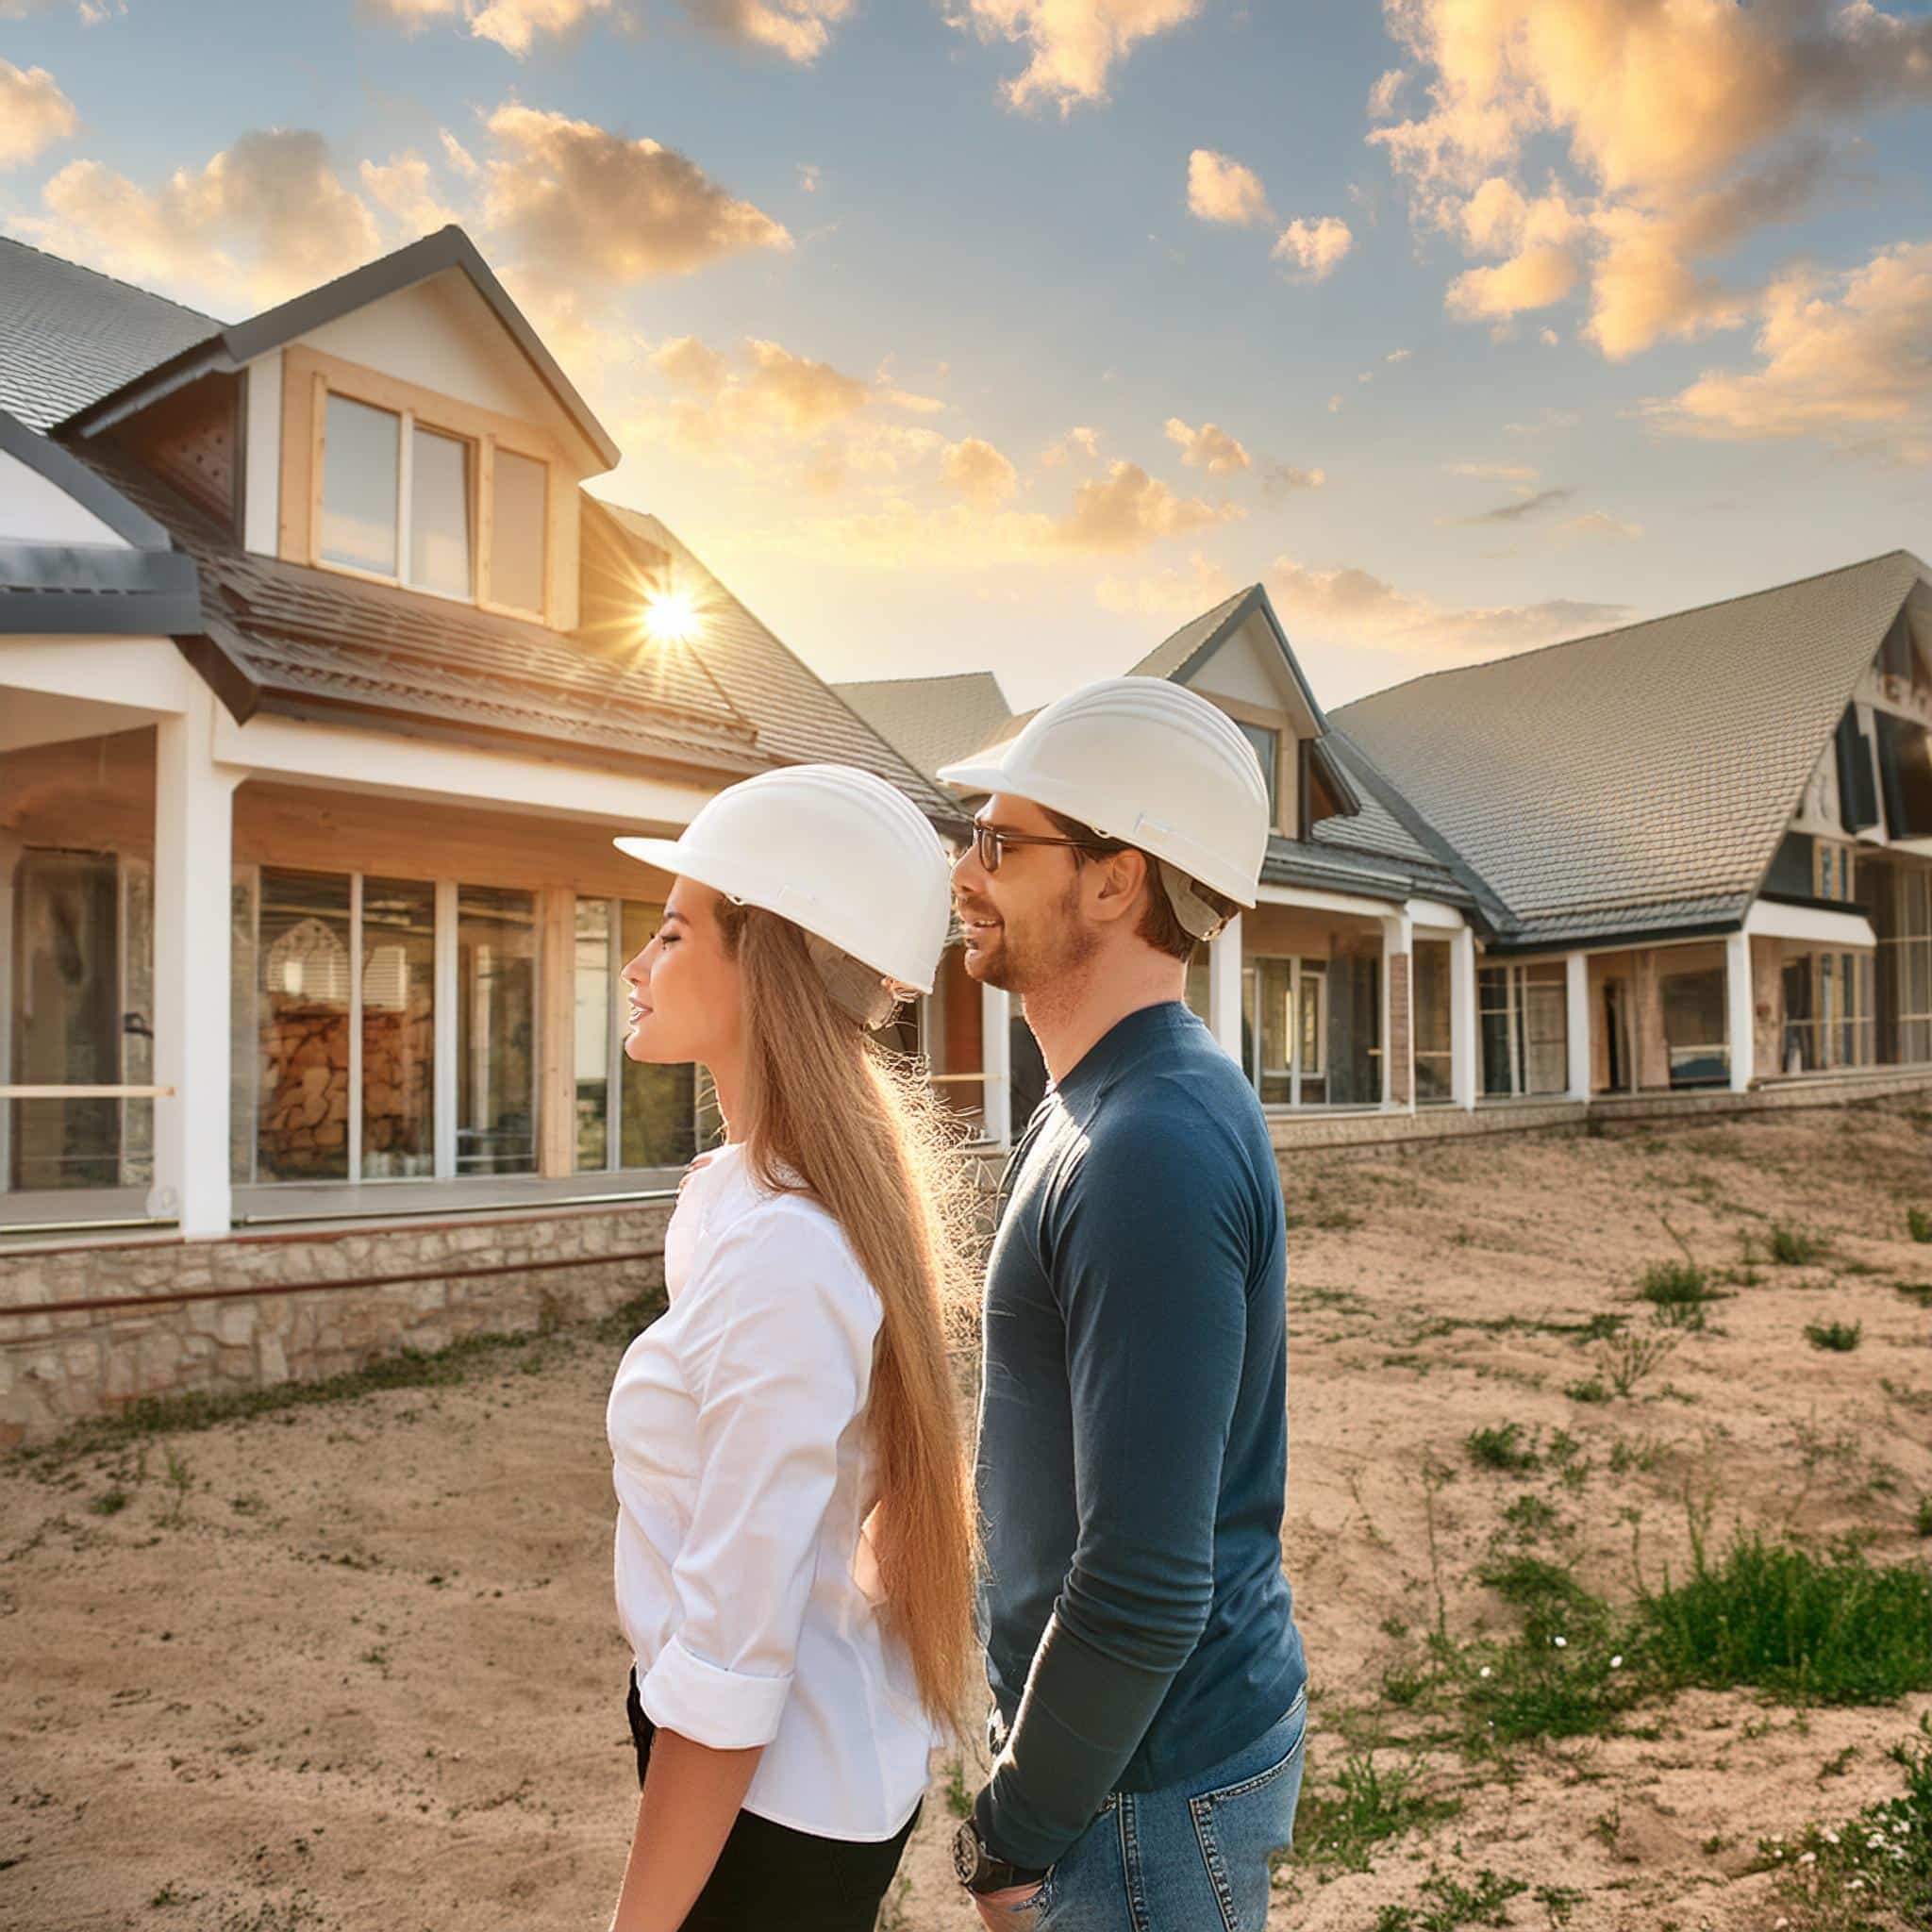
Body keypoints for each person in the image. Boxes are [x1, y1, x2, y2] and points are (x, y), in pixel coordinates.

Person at [937, 677, 1309, 1932]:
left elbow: (1149, 1581)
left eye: (1001, 842)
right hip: (1117, 1765)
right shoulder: (1097, 1103)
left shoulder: (1150, 1143)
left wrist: (1013, 1833)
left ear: (1114, 880)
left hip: (1142, 1793)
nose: (966, 872)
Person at [602, 763, 979, 1932]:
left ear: (757, 956)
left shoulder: (788, 1250)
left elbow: (733, 1656)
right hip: (759, 1769)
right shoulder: (732, 1195)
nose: (635, 965)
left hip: (767, 1801)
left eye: (669, 933)